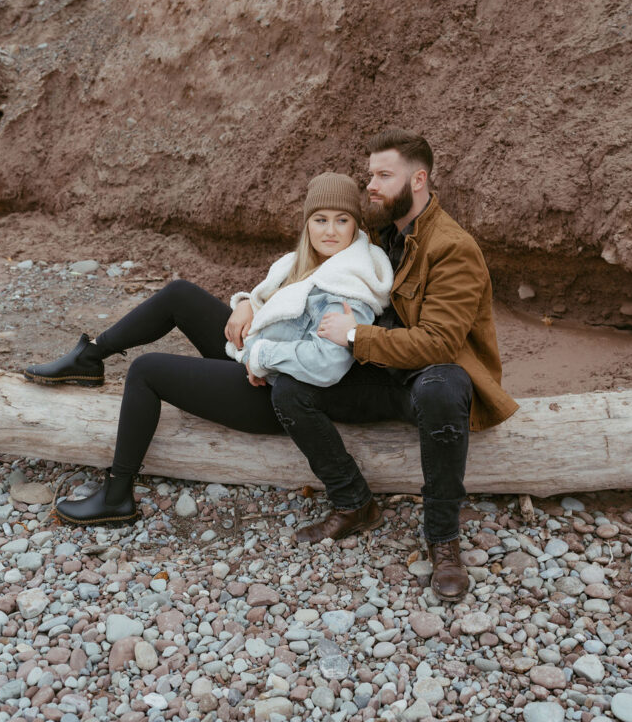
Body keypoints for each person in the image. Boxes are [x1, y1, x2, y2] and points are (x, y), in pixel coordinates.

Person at [23, 173, 393, 529]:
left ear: (355, 226)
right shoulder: (309, 262)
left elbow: (327, 364)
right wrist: (248, 302)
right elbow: (279, 306)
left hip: (275, 395)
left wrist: (259, 357)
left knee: (146, 371)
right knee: (179, 294)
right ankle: (90, 357)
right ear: (307, 224)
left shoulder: (348, 286)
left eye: (341, 220)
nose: (330, 230)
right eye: (320, 219)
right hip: (257, 361)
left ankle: (116, 496)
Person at [265, 130, 520, 601]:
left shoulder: (452, 247)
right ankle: (353, 503)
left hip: (434, 374)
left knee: (441, 388)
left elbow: (441, 342)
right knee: (290, 389)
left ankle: (443, 539)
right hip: (385, 374)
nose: (372, 187)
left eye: (384, 175)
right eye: (370, 176)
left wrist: (357, 335)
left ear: (418, 179)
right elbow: (301, 273)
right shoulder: (384, 238)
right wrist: (246, 302)